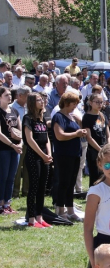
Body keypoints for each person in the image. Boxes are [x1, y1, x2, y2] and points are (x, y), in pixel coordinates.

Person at [52, 91, 86, 221]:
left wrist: (80, 132)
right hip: (64, 154)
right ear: (66, 103)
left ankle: (70, 210)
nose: (75, 106)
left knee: (71, 183)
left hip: (75, 154)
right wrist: (76, 134)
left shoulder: (71, 116)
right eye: (73, 103)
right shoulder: (59, 117)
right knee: (64, 182)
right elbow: (59, 135)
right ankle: (60, 210)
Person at [22, 93, 52, 228]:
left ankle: (40, 217)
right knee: (33, 188)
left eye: (42, 99)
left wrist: (49, 154)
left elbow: (46, 138)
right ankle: (31, 219)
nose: (42, 101)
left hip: (45, 156)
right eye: (39, 100)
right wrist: (42, 155)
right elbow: (29, 140)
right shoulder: (27, 118)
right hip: (33, 156)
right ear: (32, 102)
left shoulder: (42, 119)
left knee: (42, 187)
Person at [0, 87, 22, 215]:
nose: (9, 97)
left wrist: (20, 143)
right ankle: (1, 204)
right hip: (3, 149)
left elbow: (19, 130)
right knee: (2, 177)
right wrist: (12, 145)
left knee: (11, 177)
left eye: (10, 94)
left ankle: (7, 204)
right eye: (6, 95)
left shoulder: (14, 111)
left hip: (15, 148)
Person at [83, 93, 110, 188]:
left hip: (105, 149)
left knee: (106, 174)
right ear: (90, 103)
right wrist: (100, 150)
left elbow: (107, 134)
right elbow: (89, 137)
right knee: (95, 175)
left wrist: (109, 146)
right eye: (97, 102)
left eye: (101, 102)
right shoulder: (87, 117)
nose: (100, 104)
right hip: (94, 150)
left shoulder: (102, 115)